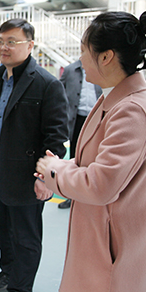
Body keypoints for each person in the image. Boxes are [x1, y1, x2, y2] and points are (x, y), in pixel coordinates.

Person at [35, 11, 146, 292]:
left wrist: (54, 171)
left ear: (106, 57)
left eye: (84, 50)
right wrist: (57, 168)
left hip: (112, 246)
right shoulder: (113, 99)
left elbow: (101, 183)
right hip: (99, 235)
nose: (80, 59)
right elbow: (94, 162)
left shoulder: (131, 111)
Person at [0, 19, 68, 292]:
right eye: (1, 41)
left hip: (27, 174)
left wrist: (45, 178)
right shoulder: (0, 78)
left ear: (30, 45)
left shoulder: (46, 83)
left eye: (12, 41)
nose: (4, 47)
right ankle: (8, 270)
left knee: (26, 237)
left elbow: (56, 137)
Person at [57, 59, 102, 209]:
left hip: (96, 119)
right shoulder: (70, 70)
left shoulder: (101, 68)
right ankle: (72, 197)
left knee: (96, 157)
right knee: (75, 158)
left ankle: (93, 195)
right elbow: (59, 91)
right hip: (76, 120)